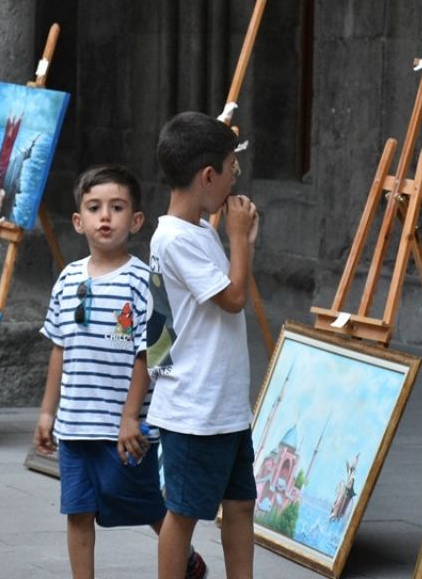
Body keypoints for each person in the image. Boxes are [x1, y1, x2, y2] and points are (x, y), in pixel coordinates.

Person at [34, 165, 206, 579]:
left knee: (146, 503)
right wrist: (47, 412)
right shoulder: (66, 279)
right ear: (79, 221)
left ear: (136, 220)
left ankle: (184, 561)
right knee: (78, 511)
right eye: (94, 208)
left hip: (124, 428)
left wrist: (132, 417)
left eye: (117, 207)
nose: (105, 217)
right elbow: (59, 348)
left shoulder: (145, 280)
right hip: (75, 427)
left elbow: (154, 353)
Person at [145, 112, 259, 579]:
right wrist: (239, 240)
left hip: (222, 402)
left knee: (241, 504)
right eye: (233, 167)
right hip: (195, 407)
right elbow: (233, 299)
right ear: (207, 176)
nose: (237, 177)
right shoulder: (174, 239)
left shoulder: (194, 230)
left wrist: (234, 238)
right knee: (185, 513)